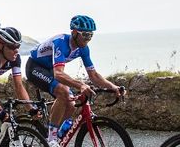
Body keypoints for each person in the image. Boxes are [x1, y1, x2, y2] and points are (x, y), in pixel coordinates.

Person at [26, 15, 123, 147]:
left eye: (90, 35)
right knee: (63, 92)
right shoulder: (61, 42)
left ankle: (52, 134)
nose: (88, 39)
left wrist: (113, 87)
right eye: (85, 35)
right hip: (35, 67)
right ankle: (51, 138)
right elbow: (58, 74)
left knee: (71, 103)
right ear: (75, 33)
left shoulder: (83, 49)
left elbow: (93, 75)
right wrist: (81, 85)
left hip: (50, 69)